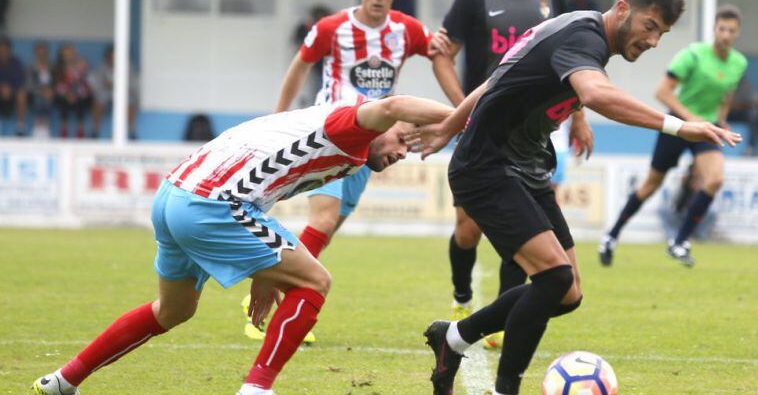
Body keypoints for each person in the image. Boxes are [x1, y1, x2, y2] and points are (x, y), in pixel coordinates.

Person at [418, 0, 739, 395]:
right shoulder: (583, 37)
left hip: (524, 167)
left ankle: (454, 338)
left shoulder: (579, 35)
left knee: (567, 292)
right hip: (487, 167)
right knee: (552, 276)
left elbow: (496, 80)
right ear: (623, 10)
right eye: (650, 27)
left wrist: (448, 125)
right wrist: (680, 126)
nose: (654, 41)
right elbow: (596, 94)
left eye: (661, 34)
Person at [31, 94, 454, 395]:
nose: (407, 150)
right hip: (210, 206)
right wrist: (463, 117)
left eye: (415, 144)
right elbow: (394, 106)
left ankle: (63, 381)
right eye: (406, 138)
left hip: (174, 196)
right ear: (385, 125)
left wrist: (266, 271)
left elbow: (263, 182)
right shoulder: (348, 125)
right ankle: (257, 388)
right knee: (314, 282)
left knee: (174, 310)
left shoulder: (337, 137)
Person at [263, 0, 441, 340]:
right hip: (330, 135)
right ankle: (276, 300)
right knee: (323, 220)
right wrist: (277, 119)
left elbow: (438, 50)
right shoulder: (332, 28)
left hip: (374, 143)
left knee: (328, 228)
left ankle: (280, 288)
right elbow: (300, 66)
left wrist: (446, 46)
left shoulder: (406, 30)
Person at [430, 0, 592, 349]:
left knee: (527, 225)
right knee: (468, 231)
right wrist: (464, 113)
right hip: (482, 135)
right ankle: (462, 297)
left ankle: (500, 320)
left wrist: (580, 115)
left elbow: (575, 63)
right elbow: (441, 56)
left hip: (531, 134)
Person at [599, 5, 747, 267]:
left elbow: (726, 95)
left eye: (731, 31)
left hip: (706, 127)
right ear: (714, 29)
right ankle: (611, 236)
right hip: (678, 124)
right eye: (721, 29)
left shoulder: (739, 63)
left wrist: (720, 119)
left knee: (715, 179)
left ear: (737, 33)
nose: (725, 35)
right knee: (651, 184)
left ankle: (680, 241)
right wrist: (689, 121)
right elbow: (663, 93)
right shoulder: (693, 55)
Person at [88, 44, 139, 139]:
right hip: (106, 93)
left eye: (116, 56)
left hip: (124, 93)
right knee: (97, 101)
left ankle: (131, 131)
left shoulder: (129, 67)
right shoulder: (102, 66)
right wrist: (105, 84)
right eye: (111, 57)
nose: (113, 59)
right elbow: (95, 82)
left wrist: (121, 87)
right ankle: (95, 131)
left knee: (131, 102)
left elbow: (133, 84)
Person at [53, 43, 92, 138]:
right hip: (64, 95)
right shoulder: (58, 68)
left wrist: (76, 94)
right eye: (66, 55)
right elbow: (57, 85)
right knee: (62, 101)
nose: (69, 57)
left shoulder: (82, 65)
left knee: (81, 101)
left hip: (80, 95)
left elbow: (86, 83)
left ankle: (81, 131)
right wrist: (67, 94)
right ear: (62, 57)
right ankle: (64, 130)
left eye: (71, 54)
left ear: (75, 53)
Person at [26, 41, 55, 138]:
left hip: (50, 92)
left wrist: (51, 90)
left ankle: (46, 126)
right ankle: (38, 126)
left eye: (43, 53)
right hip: (35, 93)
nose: (41, 55)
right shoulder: (31, 66)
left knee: (48, 99)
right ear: (36, 53)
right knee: (39, 100)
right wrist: (41, 91)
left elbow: (57, 81)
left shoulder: (52, 66)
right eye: (39, 53)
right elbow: (29, 84)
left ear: (47, 53)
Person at [0, 36, 26, 136]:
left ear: (9, 50)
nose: (3, 51)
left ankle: (20, 128)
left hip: (13, 93)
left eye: (5, 49)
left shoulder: (16, 63)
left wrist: (10, 89)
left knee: (22, 94)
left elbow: (20, 81)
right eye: (1, 49)